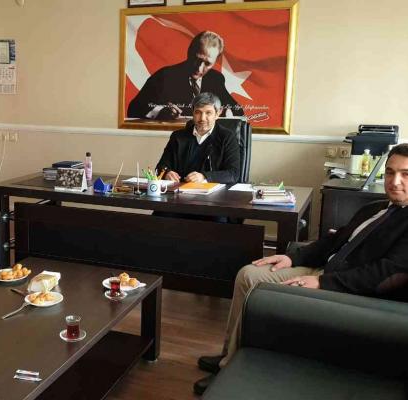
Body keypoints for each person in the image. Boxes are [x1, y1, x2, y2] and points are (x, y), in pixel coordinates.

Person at [193, 143, 408, 395]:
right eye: (390, 172)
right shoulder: (375, 208)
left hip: (345, 289)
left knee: (259, 290)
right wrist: (291, 258)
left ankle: (228, 367)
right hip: (323, 269)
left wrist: (323, 283)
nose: (395, 181)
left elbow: (387, 273)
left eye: (405, 174)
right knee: (248, 275)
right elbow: (333, 240)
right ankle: (229, 354)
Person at [127, 30, 244, 120]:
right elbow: (134, 109)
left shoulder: (216, 79)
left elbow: (238, 110)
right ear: (189, 52)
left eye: (207, 63)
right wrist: (160, 111)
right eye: (197, 59)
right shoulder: (164, 76)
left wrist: (227, 112)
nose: (199, 68)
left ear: (215, 62)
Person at [156, 92, 240, 185]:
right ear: (193, 112)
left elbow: (233, 174)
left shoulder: (227, 137)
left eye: (208, 113)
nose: (202, 118)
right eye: (198, 112)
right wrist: (167, 173)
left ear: (218, 113)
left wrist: (204, 176)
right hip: (180, 189)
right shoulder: (177, 137)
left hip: (212, 192)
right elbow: (161, 167)